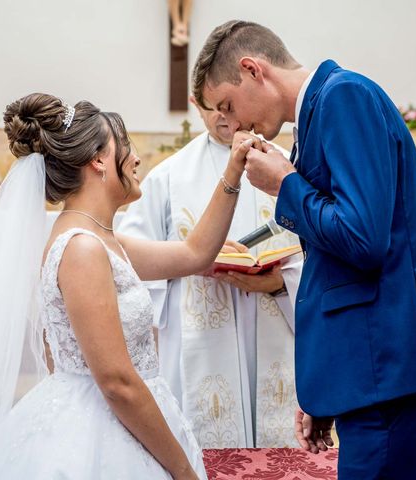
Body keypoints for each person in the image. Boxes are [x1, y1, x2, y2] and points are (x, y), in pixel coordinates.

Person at [191, 20, 416, 480]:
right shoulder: (315, 116)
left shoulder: (343, 97)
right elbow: (338, 265)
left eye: (228, 105)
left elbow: (364, 239)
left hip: (396, 370)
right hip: (374, 373)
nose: (232, 125)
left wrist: (286, 184)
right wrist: (328, 388)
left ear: (253, 69)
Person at [0, 93, 256, 479]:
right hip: (98, 432)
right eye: (124, 146)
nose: (136, 157)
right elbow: (116, 382)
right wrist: (184, 473)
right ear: (98, 160)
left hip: (128, 417)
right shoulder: (82, 249)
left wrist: (232, 173)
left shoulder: (103, 239)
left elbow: (195, 253)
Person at [118, 95, 301, 448]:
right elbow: (130, 269)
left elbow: (318, 253)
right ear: (194, 103)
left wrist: (281, 281)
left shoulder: (286, 169)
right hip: (196, 337)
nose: (221, 114)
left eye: (229, 103)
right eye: (210, 104)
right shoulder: (168, 177)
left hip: (274, 324)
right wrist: (191, 261)